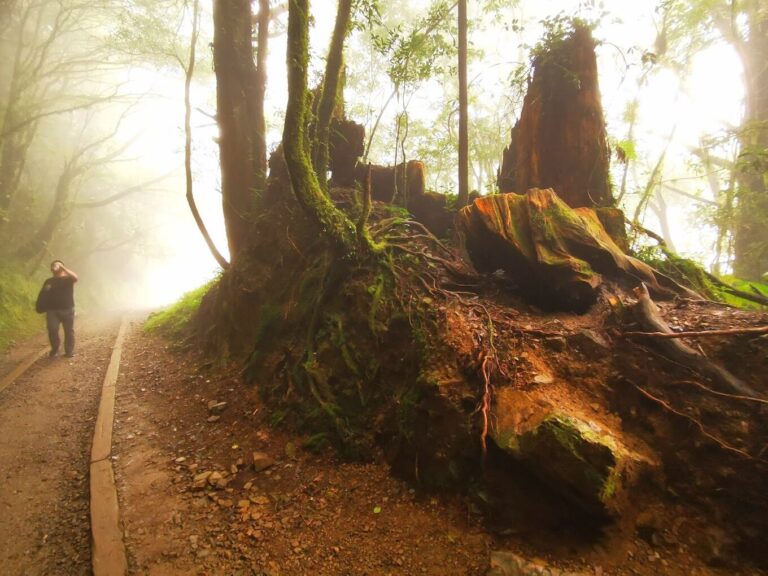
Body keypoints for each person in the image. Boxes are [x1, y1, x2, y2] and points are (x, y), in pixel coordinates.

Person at [40, 260, 78, 358]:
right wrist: (45, 291)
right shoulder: (48, 281)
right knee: (52, 329)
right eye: (53, 265)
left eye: (56, 265)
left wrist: (63, 267)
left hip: (68, 309)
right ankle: (55, 349)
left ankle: (69, 351)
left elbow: (75, 277)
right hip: (52, 310)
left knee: (69, 331)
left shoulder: (68, 279)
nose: (54, 266)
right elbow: (43, 295)